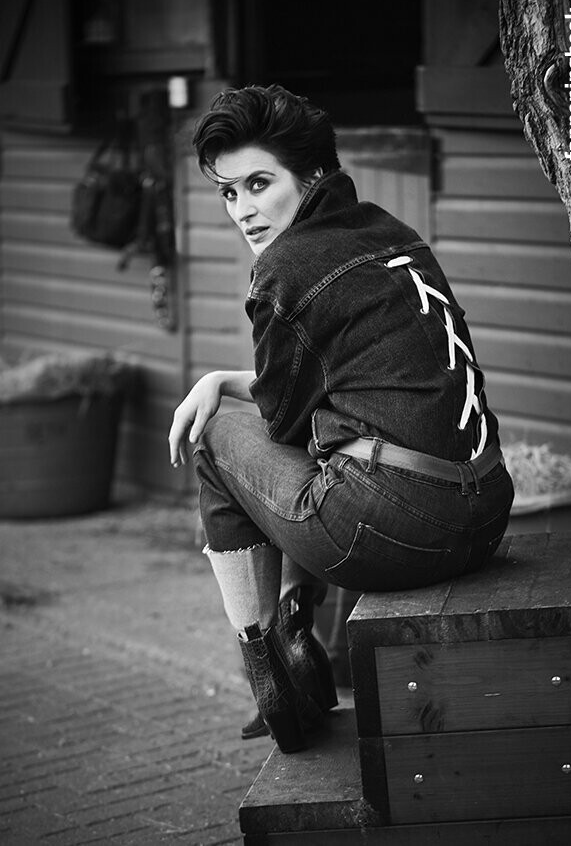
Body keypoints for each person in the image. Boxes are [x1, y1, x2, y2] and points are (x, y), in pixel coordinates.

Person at [168, 84, 514, 754]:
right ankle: (296, 637)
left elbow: (280, 422)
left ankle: (273, 676)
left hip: (393, 530)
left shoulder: (286, 266)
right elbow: (322, 389)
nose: (243, 210)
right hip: (487, 511)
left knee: (212, 438)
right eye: (229, 192)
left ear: (312, 175)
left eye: (259, 184)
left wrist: (214, 389)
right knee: (310, 439)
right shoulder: (390, 232)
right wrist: (220, 380)